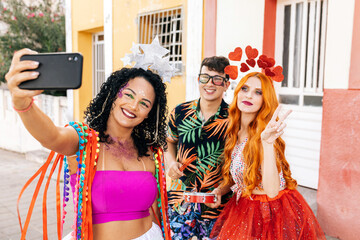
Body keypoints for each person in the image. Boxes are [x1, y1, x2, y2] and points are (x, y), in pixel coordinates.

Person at [6, 43, 173, 240]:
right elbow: (51, 136)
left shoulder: (149, 151)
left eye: (144, 104)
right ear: (113, 95)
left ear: (148, 114)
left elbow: (155, 208)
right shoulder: (84, 141)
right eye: (128, 94)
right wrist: (22, 103)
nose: (134, 105)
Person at [210, 46, 326, 239]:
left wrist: (267, 143)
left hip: (270, 214)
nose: (248, 95)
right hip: (243, 207)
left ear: (265, 100)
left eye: (258, 92)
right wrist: (221, 190)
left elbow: (272, 191)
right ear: (237, 92)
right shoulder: (235, 133)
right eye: (245, 89)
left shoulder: (265, 135)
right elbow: (240, 175)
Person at [165, 56, 232, 240]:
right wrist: (170, 162)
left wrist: (222, 189)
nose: (210, 84)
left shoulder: (235, 119)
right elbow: (169, 142)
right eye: (205, 77)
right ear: (198, 79)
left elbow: (238, 167)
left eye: (217, 79)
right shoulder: (179, 112)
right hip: (179, 203)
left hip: (216, 208)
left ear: (226, 84)